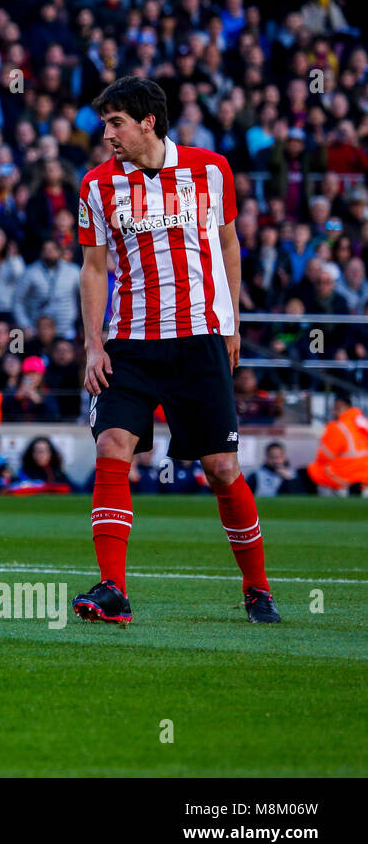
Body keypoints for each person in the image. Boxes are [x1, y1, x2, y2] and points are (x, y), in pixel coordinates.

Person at [75, 77, 278, 624]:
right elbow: (94, 270)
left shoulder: (211, 170)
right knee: (114, 445)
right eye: (105, 123)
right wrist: (94, 345)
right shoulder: (96, 186)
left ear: (148, 123)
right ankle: (112, 589)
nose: (107, 133)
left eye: (116, 122)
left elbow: (230, 243)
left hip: (199, 342)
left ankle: (257, 589)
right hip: (131, 345)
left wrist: (231, 324)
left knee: (220, 467)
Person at [306, 393, 368, 492]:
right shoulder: (364, 422)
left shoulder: (339, 427)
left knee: (313, 470)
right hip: (365, 477)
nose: (334, 412)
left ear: (342, 406)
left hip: (345, 477)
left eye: (335, 408)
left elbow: (323, 457)